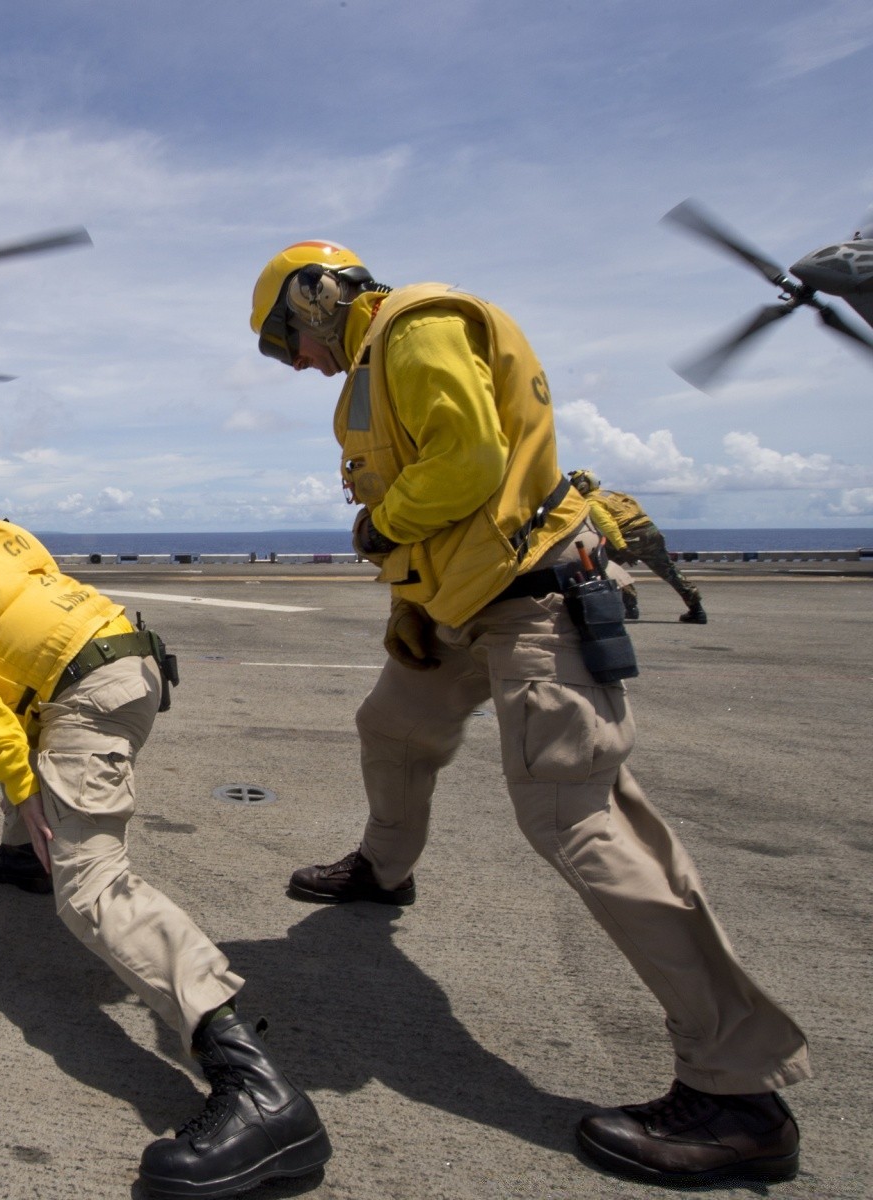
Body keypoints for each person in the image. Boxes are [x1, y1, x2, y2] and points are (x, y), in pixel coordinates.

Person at [248, 242, 810, 1187]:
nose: (294, 365)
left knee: (577, 818)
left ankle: (738, 1091)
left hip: (533, 599)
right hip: (462, 605)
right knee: (392, 725)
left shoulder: (412, 327)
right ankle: (383, 873)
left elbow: (467, 466)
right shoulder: (376, 369)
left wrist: (383, 528)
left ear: (315, 298)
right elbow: (443, 504)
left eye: (282, 343)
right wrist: (411, 606)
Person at [0, 503, 330, 1198]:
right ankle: (28, 853)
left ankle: (258, 1091)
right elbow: (25, 652)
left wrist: (22, 781)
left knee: (90, 889)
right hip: (131, 659)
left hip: (85, 697)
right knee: (30, 733)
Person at [569, 469, 707, 623]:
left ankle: (630, 606)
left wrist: (622, 548)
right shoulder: (615, 494)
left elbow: (608, 525)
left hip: (628, 537)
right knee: (670, 572)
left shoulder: (591, 502)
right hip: (650, 532)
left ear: (582, 486)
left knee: (605, 567)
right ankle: (697, 610)